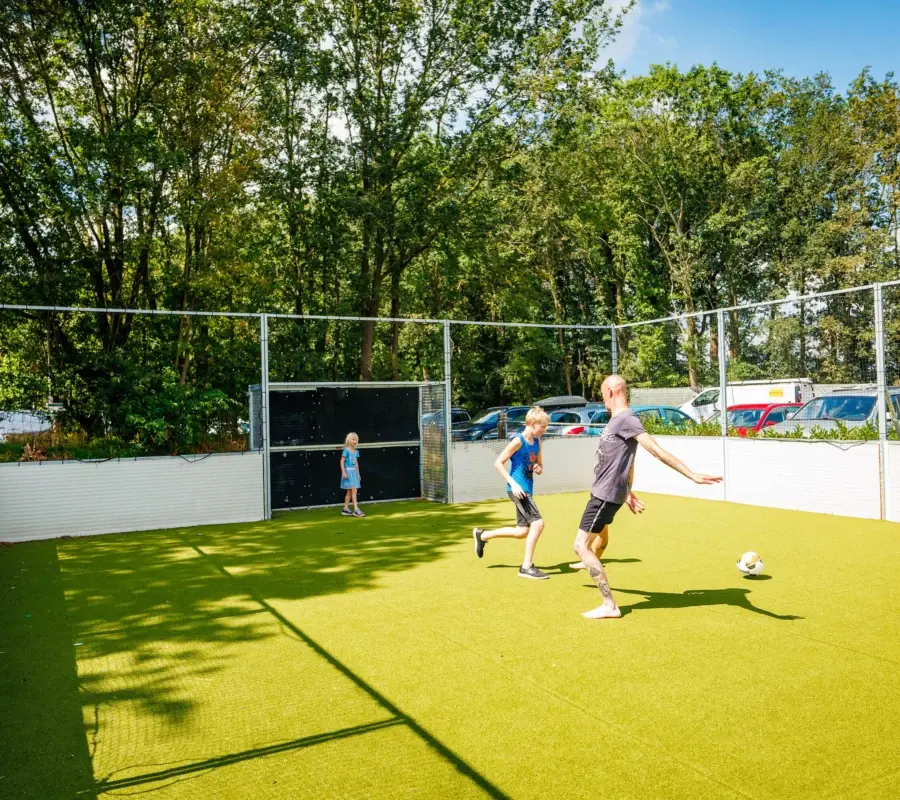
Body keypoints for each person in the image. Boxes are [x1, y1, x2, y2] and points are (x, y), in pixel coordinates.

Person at [575, 376, 722, 619]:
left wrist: (691, 475)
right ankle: (607, 600)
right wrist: (628, 491)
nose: (602, 398)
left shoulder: (626, 418)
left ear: (611, 391)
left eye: (602, 393)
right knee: (583, 546)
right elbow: (623, 461)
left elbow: (655, 449)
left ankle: (609, 605)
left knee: (580, 545)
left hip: (604, 496)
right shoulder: (618, 420)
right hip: (607, 492)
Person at [472, 406, 550, 579]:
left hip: (527, 488)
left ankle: (482, 535)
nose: (545, 429)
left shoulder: (538, 441)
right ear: (532, 423)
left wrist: (539, 468)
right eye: (543, 426)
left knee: (522, 531)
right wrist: (513, 483)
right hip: (517, 490)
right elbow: (498, 462)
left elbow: (539, 464)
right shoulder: (518, 441)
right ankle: (526, 566)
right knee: (538, 524)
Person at [340, 432, 365, 517]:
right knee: (354, 490)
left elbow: (356, 463)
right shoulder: (346, 450)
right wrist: (343, 472)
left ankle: (345, 509)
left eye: (356, 440)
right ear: (349, 440)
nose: (355, 441)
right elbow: (342, 461)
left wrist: (358, 473)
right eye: (353, 439)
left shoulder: (356, 452)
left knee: (350, 492)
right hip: (348, 472)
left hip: (354, 472)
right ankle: (356, 509)